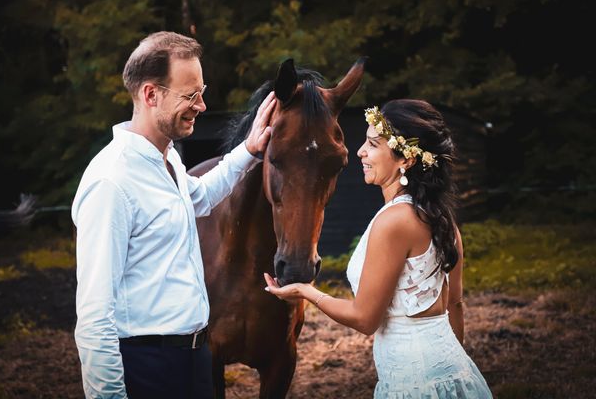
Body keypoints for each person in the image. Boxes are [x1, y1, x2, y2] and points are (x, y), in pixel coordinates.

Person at [72, 31, 276, 399]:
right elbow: (93, 314)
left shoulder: (168, 161)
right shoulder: (112, 181)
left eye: (202, 90)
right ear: (151, 95)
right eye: (190, 94)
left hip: (195, 359)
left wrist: (249, 149)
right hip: (148, 367)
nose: (202, 104)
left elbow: (200, 197)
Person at [264, 99, 492, 398]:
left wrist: (305, 291)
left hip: (414, 382)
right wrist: (449, 379)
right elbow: (456, 305)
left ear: (405, 160)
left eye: (373, 144)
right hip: (453, 371)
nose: (360, 151)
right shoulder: (441, 218)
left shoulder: (394, 221)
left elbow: (365, 319)